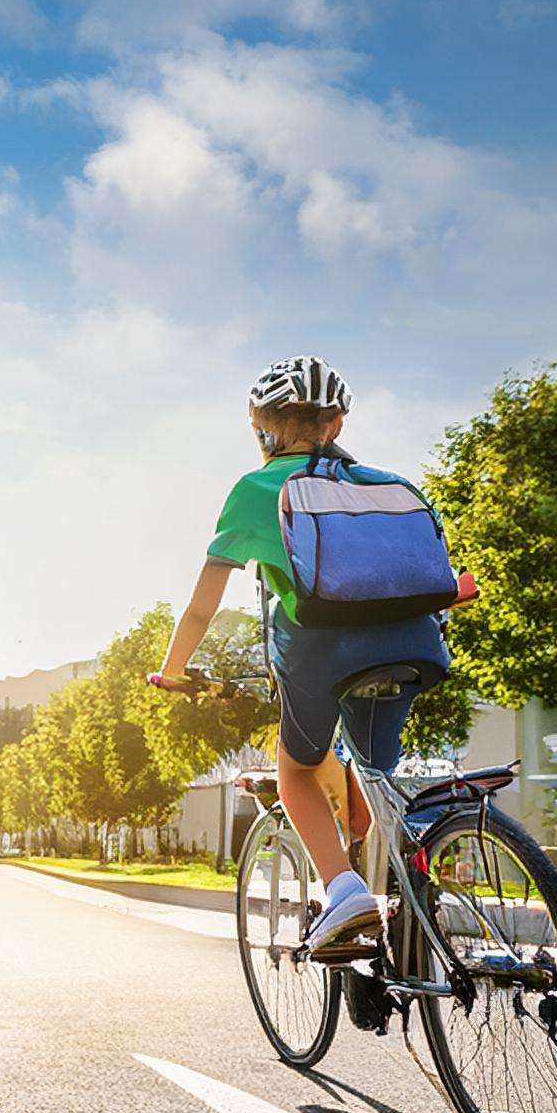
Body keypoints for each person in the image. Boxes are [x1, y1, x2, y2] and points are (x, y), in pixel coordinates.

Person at [146, 356, 448, 961]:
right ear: (335, 424)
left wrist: (173, 670)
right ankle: (415, 887)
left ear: (263, 428)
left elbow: (203, 608)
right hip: (415, 646)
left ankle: (344, 892)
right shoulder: (392, 485)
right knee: (375, 775)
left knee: (298, 772)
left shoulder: (260, 488)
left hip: (322, 652)